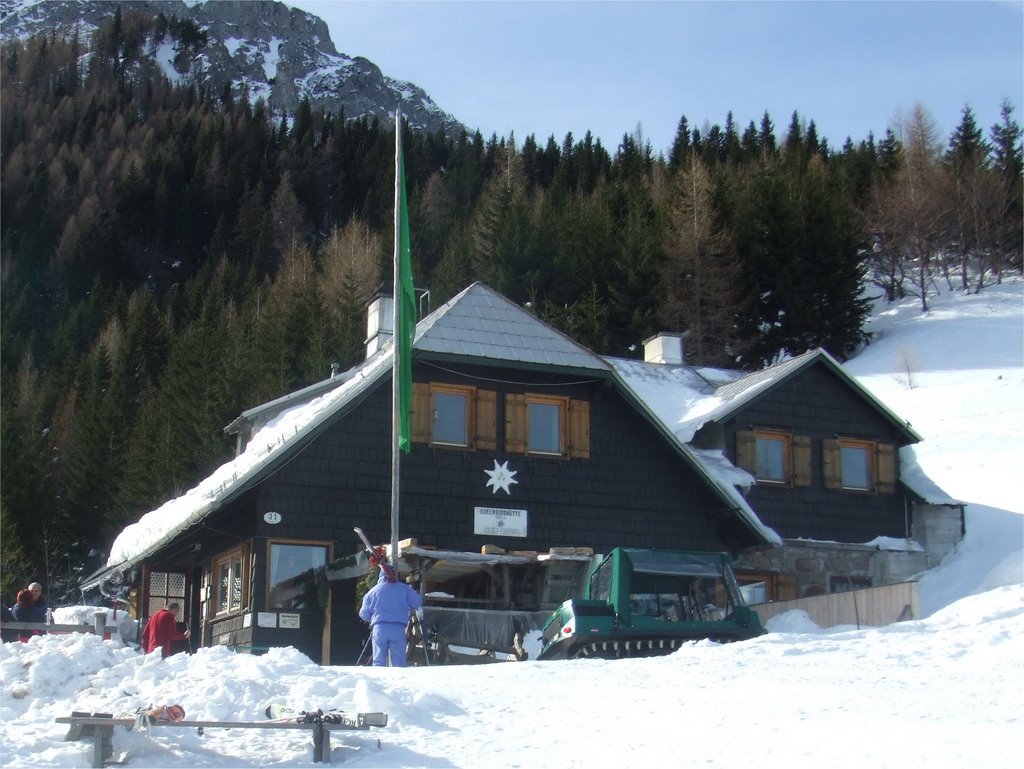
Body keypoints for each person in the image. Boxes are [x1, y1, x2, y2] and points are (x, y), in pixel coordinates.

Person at [358, 568, 422, 667]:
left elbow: (363, 614)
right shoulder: (404, 589)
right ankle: (398, 681)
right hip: (398, 628)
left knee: (378, 662)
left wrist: (373, 619)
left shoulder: (372, 592)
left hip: (379, 628)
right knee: (399, 662)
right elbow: (417, 602)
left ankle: (379, 681)